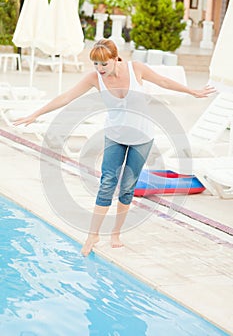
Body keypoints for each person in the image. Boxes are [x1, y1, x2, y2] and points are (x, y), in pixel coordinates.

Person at [14, 39, 215, 257]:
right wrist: (36, 114)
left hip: (142, 137)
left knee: (128, 186)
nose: (99, 69)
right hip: (114, 135)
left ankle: (116, 233)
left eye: (103, 64)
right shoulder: (94, 78)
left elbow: (163, 81)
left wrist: (191, 91)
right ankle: (93, 235)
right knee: (107, 182)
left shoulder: (135, 69)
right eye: (95, 64)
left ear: (115, 58)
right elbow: (67, 97)